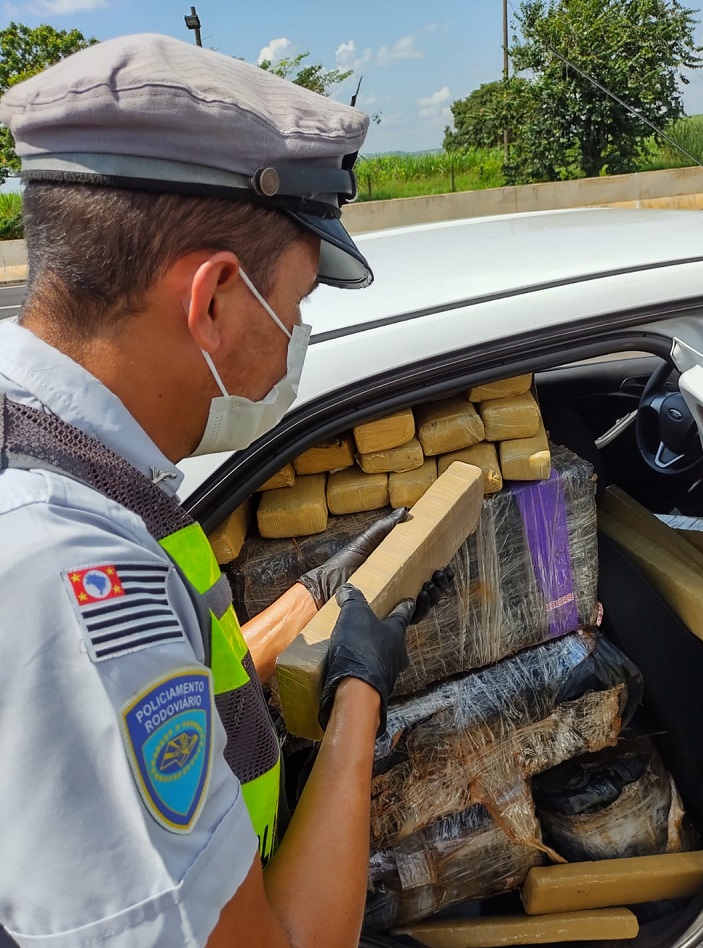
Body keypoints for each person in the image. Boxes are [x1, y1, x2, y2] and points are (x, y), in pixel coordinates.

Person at [0, 34, 444, 947]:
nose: (298, 340)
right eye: (299, 304)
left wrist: (304, 611)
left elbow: (170, 684)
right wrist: (361, 694)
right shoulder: (68, 572)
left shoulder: (58, 460)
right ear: (211, 299)